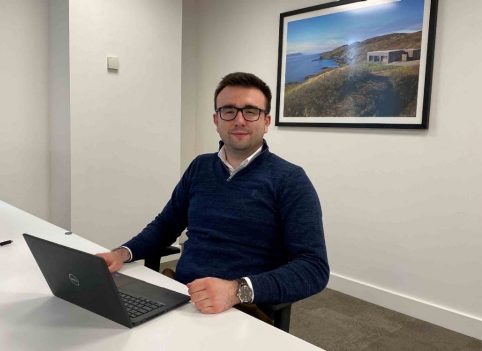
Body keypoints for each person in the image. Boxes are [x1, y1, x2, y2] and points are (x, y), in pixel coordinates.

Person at [97, 72, 329, 317]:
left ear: (267, 121)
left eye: (251, 111)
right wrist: (121, 253)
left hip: (242, 308)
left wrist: (236, 291)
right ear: (216, 120)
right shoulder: (200, 167)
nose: (239, 120)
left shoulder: (290, 180)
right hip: (181, 294)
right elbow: (165, 225)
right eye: (229, 111)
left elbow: (313, 268)